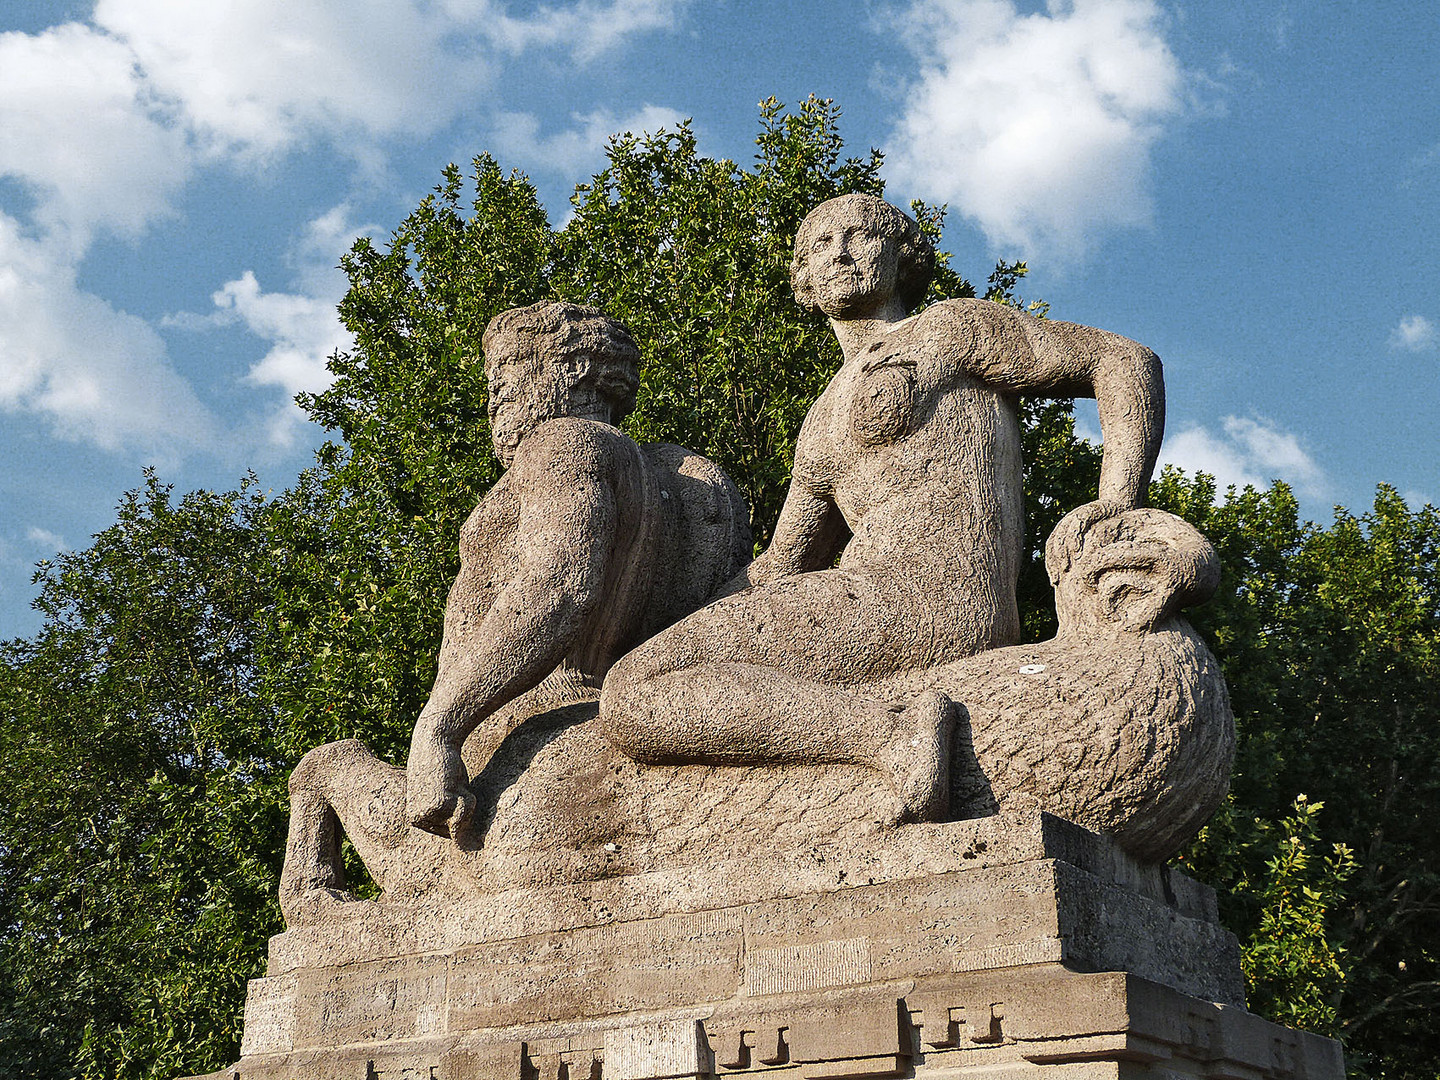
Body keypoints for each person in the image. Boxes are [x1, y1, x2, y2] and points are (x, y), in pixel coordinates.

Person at [598, 193, 1164, 822]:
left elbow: (1122, 362)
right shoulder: (818, 423)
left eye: (859, 236)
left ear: (903, 256)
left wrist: (1117, 500)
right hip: (867, 595)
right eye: (818, 246)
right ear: (805, 282)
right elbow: (783, 563)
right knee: (640, 683)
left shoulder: (948, 331)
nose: (838, 253)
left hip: (931, 596)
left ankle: (889, 731)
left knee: (636, 690)